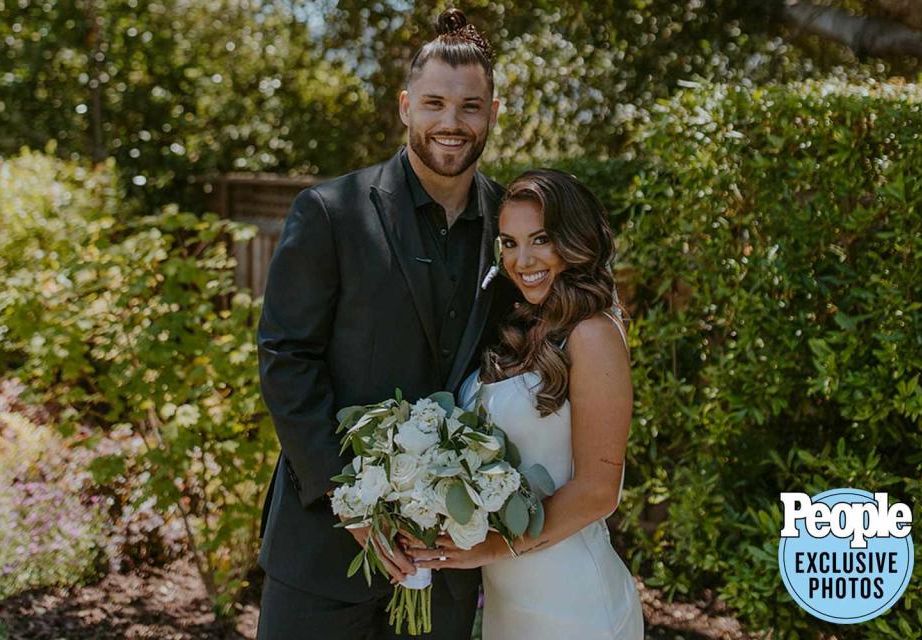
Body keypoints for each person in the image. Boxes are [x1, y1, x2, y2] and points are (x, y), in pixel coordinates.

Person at [254, 9, 520, 639]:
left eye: (471, 107)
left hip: (445, 562)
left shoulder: (514, 230)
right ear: (405, 107)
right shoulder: (330, 212)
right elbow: (286, 357)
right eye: (434, 103)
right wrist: (350, 503)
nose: (451, 123)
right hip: (323, 549)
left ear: (493, 112)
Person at [405, 169, 645, 639]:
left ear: (574, 241)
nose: (523, 259)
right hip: (510, 600)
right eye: (509, 243)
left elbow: (600, 491)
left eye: (541, 239)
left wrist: (494, 547)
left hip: (573, 601)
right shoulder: (525, 327)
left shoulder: (592, 333)